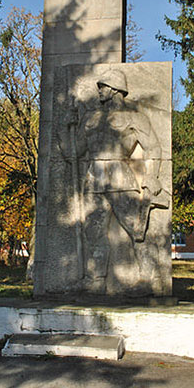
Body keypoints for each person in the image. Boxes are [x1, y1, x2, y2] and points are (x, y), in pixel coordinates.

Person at [60, 68, 166, 293]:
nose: (100, 91)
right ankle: (95, 281)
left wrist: (151, 175)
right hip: (94, 178)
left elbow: (154, 148)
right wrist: (64, 127)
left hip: (120, 178)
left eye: (104, 86)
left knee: (136, 229)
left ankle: (148, 280)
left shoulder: (134, 118)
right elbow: (74, 153)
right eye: (100, 87)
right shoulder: (90, 119)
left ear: (116, 89)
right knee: (93, 232)